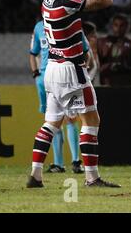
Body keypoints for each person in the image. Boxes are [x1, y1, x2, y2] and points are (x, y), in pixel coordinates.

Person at [27, 0, 120, 188]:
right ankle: (92, 177)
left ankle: (35, 175)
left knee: (51, 123)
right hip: (71, 70)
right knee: (91, 119)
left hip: (52, 70)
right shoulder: (67, 3)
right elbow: (105, 0)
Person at [30, 19, 84, 174]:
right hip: (47, 79)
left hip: (65, 75)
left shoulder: (70, 23)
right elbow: (33, 52)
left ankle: (75, 161)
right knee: (53, 120)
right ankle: (59, 163)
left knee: (70, 118)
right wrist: (36, 74)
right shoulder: (39, 26)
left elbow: (84, 51)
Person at [97, 14, 131, 86]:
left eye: (122, 25)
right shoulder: (102, 43)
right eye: (116, 25)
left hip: (126, 85)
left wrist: (123, 68)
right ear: (112, 26)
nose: (118, 28)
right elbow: (97, 66)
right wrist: (109, 66)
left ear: (127, 27)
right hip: (107, 85)